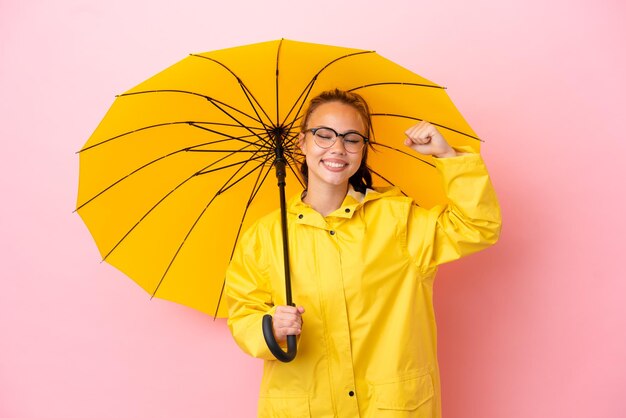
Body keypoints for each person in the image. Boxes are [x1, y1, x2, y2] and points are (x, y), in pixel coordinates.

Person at [225, 89, 501, 418]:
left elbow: (478, 225)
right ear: (301, 143)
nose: (337, 148)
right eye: (323, 135)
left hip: (390, 408)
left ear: (362, 150)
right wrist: (270, 326)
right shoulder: (265, 237)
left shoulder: (398, 220)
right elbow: (244, 315)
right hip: (306, 407)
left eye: (352, 139)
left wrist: (448, 156)